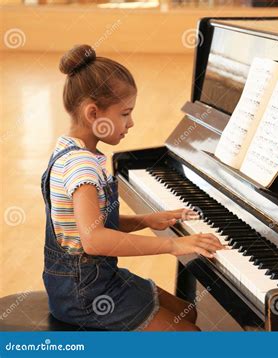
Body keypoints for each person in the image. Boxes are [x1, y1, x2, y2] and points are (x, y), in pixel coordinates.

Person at [40, 44, 224, 331]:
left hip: (96, 280)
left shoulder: (71, 150)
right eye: (125, 113)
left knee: (185, 311)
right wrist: (172, 245)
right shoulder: (82, 167)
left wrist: (145, 220)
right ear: (92, 113)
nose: (131, 122)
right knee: (189, 333)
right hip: (84, 295)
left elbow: (85, 227)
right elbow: (94, 241)